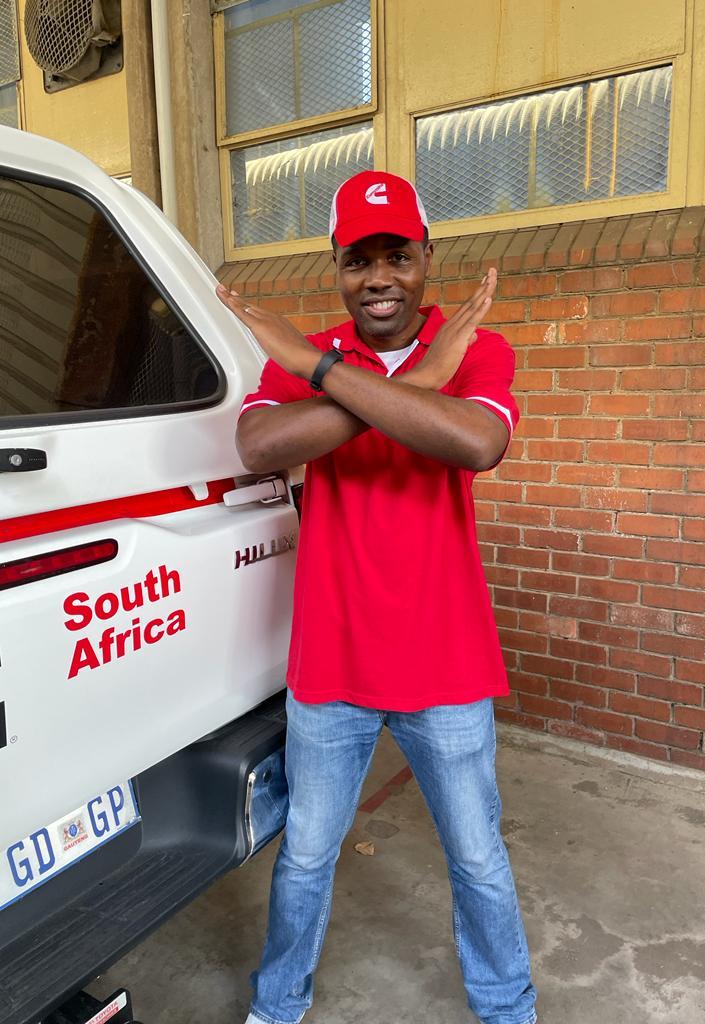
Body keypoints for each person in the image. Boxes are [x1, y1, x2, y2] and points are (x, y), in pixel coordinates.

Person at [216, 170, 537, 1024]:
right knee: (307, 858)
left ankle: (508, 1010)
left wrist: (322, 371)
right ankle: (276, 1007)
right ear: (338, 267)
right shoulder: (327, 354)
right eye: (361, 260)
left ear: (427, 258)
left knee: (476, 859)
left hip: (447, 662)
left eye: (399, 255)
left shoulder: (475, 348)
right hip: (333, 659)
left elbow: (475, 445)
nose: (381, 277)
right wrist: (409, 384)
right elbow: (259, 445)